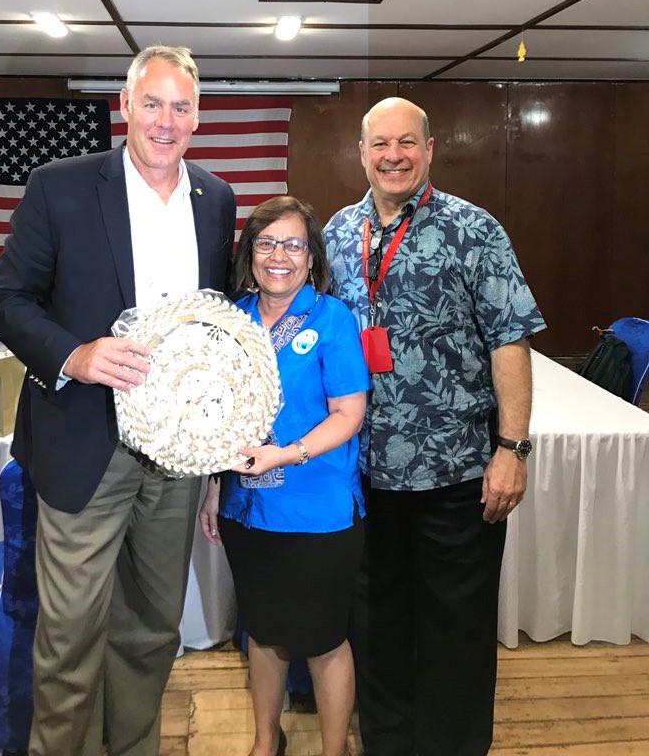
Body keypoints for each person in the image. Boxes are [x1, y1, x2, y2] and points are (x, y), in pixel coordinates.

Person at [0, 46, 236, 756]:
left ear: (197, 117)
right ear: (125, 106)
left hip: (178, 452)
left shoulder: (215, 199)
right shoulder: (59, 186)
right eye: (151, 103)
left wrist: (215, 453)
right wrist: (74, 354)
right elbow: (6, 299)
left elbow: (216, 326)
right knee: (69, 636)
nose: (165, 120)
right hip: (83, 442)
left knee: (152, 628)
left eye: (180, 107)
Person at [323, 97, 546, 756]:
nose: (394, 156)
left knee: (457, 631)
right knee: (377, 625)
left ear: (430, 148)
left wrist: (512, 449)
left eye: (407, 143)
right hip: (364, 474)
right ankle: (387, 743)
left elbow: (510, 341)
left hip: (455, 472)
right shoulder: (336, 233)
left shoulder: (475, 230)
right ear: (361, 153)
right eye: (380, 145)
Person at [199, 196, 369, 756]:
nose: (279, 256)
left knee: (323, 639)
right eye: (266, 243)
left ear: (312, 258)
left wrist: (287, 453)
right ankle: (265, 741)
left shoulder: (334, 319)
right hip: (246, 508)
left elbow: (349, 414)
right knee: (264, 632)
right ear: (249, 255)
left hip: (317, 509)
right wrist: (212, 489)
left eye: (293, 244)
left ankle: (332, 748)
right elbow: (213, 413)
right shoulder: (230, 319)